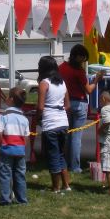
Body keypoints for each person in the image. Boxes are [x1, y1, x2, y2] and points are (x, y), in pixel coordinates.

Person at [59, 44, 104, 173]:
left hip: (65, 103)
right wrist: (96, 80)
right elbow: (89, 90)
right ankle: (75, 166)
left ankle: (65, 164)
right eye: (84, 58)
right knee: (76, 136)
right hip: (79, 104)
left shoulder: (62, 68)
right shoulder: (79, 72)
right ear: (80, 57)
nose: (84, 61)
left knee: (67, 135)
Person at [36, 55, 71, 193]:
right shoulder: (62, 83)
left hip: (50, 123)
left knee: (53, 156)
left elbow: (40, 107)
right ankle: (66, 185)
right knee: (61, 154)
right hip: (63, 122)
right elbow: (68, 105)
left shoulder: (44, 83)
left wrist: (38, 118)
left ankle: (55, 187)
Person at [0, 87, 30, 205]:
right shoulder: (24, 118)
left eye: (8, 96)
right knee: (20, 175)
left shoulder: (4, 115)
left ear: (11, 100)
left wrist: (1, 145)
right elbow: (26, 137)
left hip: (6, 149)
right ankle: (22, 199)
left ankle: (6, 199)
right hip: (20, 150)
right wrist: (23, 147)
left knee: (5, 174)